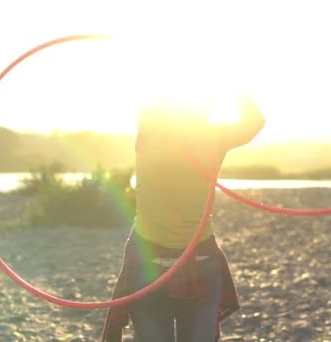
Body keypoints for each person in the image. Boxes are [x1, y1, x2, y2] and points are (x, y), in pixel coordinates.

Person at [101, 92, 266, 341]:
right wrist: (236, 87)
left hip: (178, 261)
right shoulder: (209, 137)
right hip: (165, 263)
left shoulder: (149, 133)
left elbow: (150, 104)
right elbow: (255, 122)